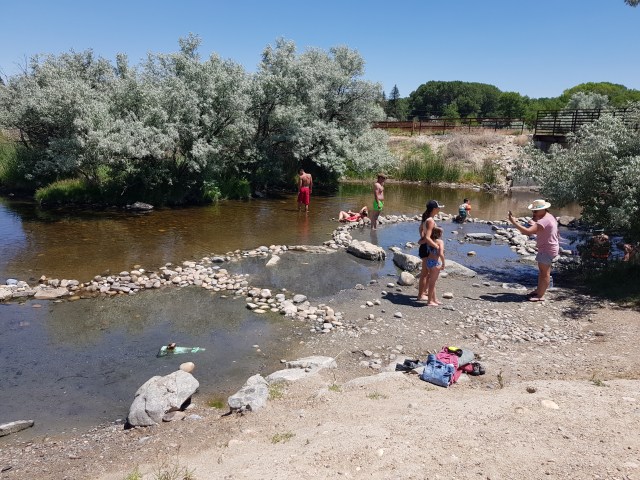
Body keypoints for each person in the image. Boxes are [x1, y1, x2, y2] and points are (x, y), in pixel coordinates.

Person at [508, 199, 559, 302]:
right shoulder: (549, 216)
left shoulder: (544, 221)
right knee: (542, 272)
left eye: (535, 211)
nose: (533, 213)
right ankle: (539, 290)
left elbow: (527, 232)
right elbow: (540, 229)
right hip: (549, 247)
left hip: (547, 249)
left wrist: (513, 222)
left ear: (543, 209)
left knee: (544, 273)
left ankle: (540, 295)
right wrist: (534, 220)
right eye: (533, 211)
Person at [417, 200, 445, 301]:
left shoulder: (427, 218)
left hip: (425, 247)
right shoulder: (430, 221)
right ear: (434, 209)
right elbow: (428, 237)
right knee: (425, 273)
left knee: (426, 273)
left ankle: (423, 292)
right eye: (438, 207)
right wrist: (436, 246)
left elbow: (420, 228)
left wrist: (422, 237)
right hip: (427, 248)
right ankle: (420, 295)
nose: (439, 209)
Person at [425, 226, 445, 306]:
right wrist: (443, 263)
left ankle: (434, 299)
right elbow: (441, 253)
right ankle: (429, 301)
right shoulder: (440, 242)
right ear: (439, 233)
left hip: (428, 262)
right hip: (435, 263)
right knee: (432, 283)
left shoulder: (429, 240)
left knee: (432, 282)